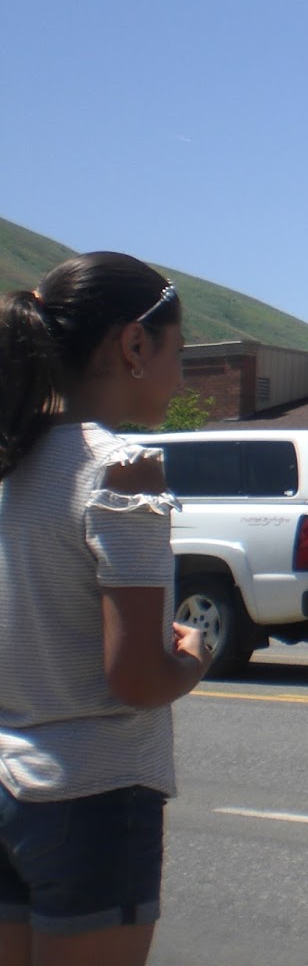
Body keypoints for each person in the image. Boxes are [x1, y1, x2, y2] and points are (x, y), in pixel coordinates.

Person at [1, 253, 213, 965]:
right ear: (133, 345)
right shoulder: (123, 469)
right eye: (178, 352)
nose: (180, 375)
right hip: (93, 794)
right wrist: (191, 656)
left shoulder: (10, 462)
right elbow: (137, 680)